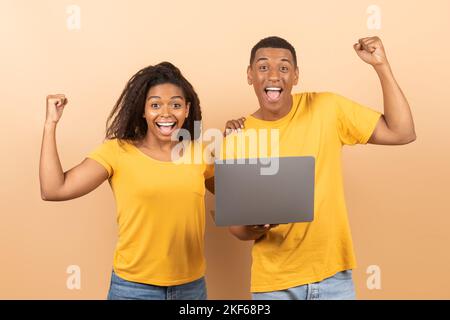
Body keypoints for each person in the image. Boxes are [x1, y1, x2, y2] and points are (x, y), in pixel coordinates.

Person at [222, 36, 416, 300]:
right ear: (250, 75)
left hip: (334, 278)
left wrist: (381, 67)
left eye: (284, 67)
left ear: (296, 75)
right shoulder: (237, 136)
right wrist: (259, 225)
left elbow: (402, 132)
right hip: (274, 285)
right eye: (263, 66)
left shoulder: (327, 108)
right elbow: (237, 230)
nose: (274, 75)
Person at [39, 62, 214, 300]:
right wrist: (51, 124)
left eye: (175, 104)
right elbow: (53, 189)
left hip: (191, 289)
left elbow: (241, 201)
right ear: (143, 110)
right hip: (133, 289)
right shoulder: (117, 152)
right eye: (155, 105)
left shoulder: (200, 154)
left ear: (187, 109)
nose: (166, 113)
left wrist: (240, 139)